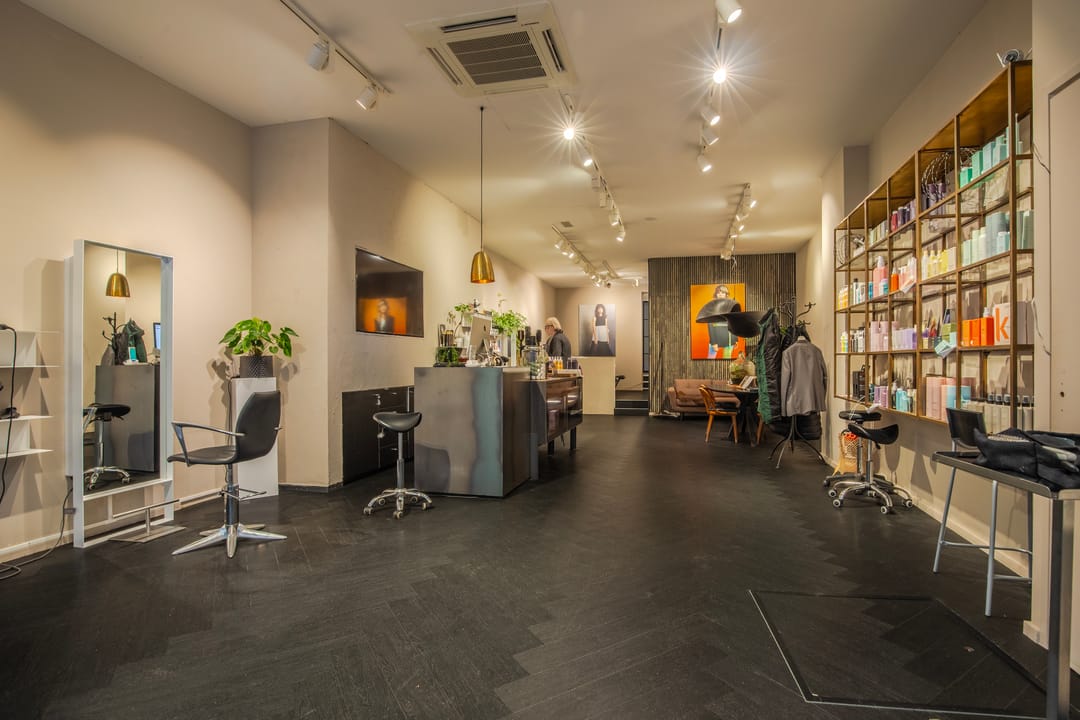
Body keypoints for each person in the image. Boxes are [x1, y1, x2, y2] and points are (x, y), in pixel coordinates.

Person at [705, 284, 737, 358]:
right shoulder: (712, 307)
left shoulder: (731, 306)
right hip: (716, 338)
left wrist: (735, 339)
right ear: (716, 294)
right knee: (711, 358)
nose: (720, 294)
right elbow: (710, 324)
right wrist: (713, 342)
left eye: (722, 293)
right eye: (718, 293)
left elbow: (733, 323)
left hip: (729, 339)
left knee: (727, 360)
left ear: (726, 294)